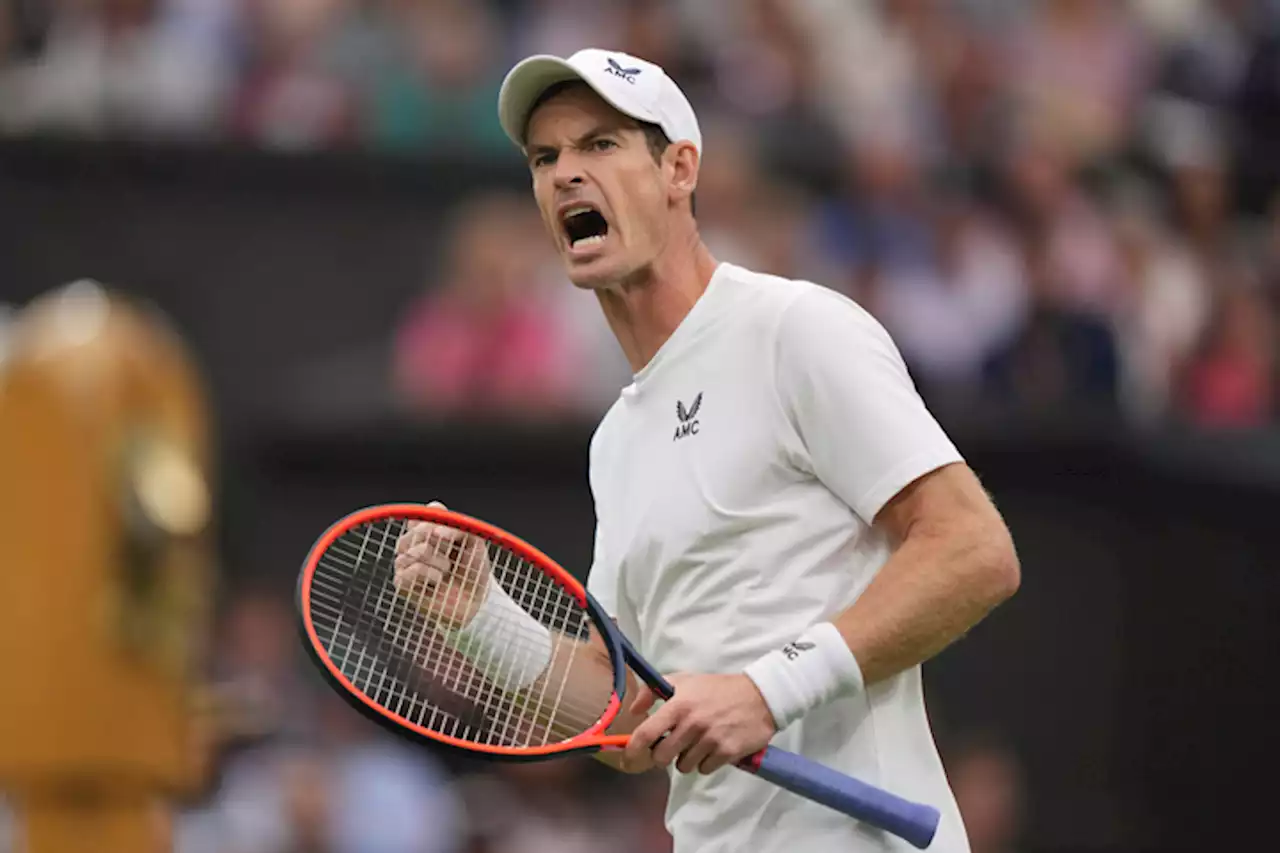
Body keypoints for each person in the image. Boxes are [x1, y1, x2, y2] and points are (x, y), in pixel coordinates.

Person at [395, 48, 1020, 853]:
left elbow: (975, 548)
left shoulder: (795, 330)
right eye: (546, 158)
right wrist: (480, 619)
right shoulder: (615, 442)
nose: (566, 175)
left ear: (679, 170)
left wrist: (767, 689)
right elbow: (626, 711)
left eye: (601, 145)